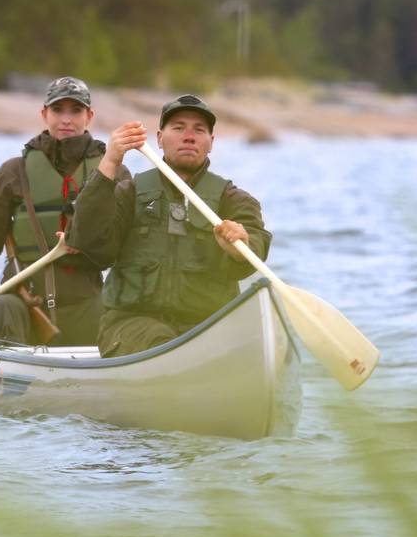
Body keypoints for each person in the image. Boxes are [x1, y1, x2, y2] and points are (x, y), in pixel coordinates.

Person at [68, 93, 272, 357]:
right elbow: (86, 239)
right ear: (159, 138)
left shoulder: (234, 200)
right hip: (130, 326)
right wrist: (110, 161)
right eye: (178, 128)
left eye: (199, 130)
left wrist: (241, 246)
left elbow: (257, 244)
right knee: (160, 340)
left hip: (208, 327)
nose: (189, 136)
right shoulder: (128, 192)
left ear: (211, 142)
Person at [0, 76, 130, 346]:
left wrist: (87, 245)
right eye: (58, 110)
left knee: (117, 315)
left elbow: (126, 242)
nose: (66, 120)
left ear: (90, 116)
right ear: (44, 114)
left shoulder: (114, 171)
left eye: (76, 111)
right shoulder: (14, 172)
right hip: (24, 300)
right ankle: (11, 378)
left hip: (86, 298)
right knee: (2, 307)